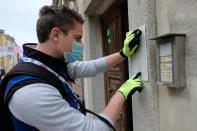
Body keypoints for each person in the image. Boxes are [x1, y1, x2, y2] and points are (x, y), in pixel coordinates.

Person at [2, 5, 143, 131]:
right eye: (77, 38)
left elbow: (89, 67)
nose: (81, 44)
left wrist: (123, 54)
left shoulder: (47, 65)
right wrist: (121, 93)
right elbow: (94, 129)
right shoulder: (31, 92)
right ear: (56, 35)